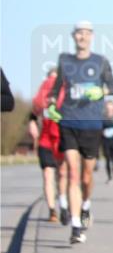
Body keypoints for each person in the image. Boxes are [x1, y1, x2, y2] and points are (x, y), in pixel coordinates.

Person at [48, 21, 113, 244]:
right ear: (73, 36)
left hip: (91, 124)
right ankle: (76, 225)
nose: (82, 37)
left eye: (86, 33)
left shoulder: (100, 61)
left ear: (92, 37)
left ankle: (86, 204)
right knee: (73, 173)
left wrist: (102, 90)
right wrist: (51, 104)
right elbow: (56, 88)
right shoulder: (64, 60)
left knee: (87, 177)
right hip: (68, 121)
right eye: (79, 33)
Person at [31, 70, 69, 223]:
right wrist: (31, 122)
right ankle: (52, 210)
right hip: (45, 139)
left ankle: (63, 202)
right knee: (48, 174)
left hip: (61, 137)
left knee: (63, 173)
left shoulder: (66, 92)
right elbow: (34, 110)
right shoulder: (43, 92)